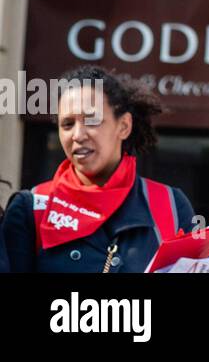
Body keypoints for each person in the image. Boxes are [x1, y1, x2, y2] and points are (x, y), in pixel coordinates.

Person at [1, 66, 196, 273]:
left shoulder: (171, 205)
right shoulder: (31, 209)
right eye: (67, 124)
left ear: (124, 126)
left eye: (91, 120)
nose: (77, 135)